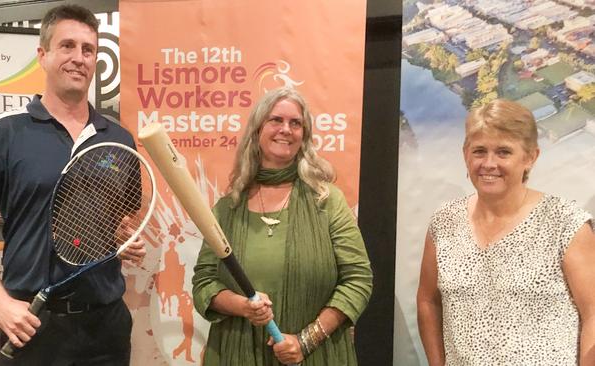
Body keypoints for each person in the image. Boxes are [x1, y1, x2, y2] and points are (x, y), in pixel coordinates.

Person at [0, 4, 145, 365]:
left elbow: (121, 218)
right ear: (42, 55)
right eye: (67, 46)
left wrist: (122, 236)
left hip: (106, 326)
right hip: (31, 323)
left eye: (88, 50)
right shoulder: (5, 132)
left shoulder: (119, 139)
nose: (79, 58)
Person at [192, 87, 373, 365]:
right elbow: (204, 284)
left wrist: (306, 340)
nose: (285, 129)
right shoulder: (228, 209)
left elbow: (358, 279)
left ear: (304, 135)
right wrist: (244, 307)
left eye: (295, 123)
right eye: (276, 120)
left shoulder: (327, 201)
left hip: (316, 355)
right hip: (236, 354)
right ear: (257, 129)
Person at [417, 99, 595, 365]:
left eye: (503, 152)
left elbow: (592, 311)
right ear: (465, 153)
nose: (489, 164)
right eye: (479, 151)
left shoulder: (565, 223)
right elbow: (427, 302)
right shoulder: (444, 222)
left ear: (530, 157)